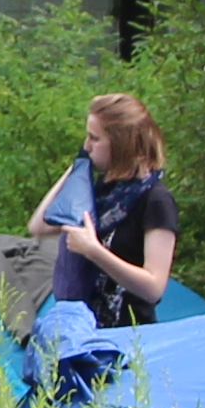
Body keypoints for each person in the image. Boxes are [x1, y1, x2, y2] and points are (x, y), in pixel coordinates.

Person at [50, 92, 183, 324]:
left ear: (121, 144)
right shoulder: (103, 190)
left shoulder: (156, 200)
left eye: (95, 138)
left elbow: (154, 288)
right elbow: (40, 223)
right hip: (86, 328)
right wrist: (78, 167)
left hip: (129, 333)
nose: (87, 145)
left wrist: (94, 251)